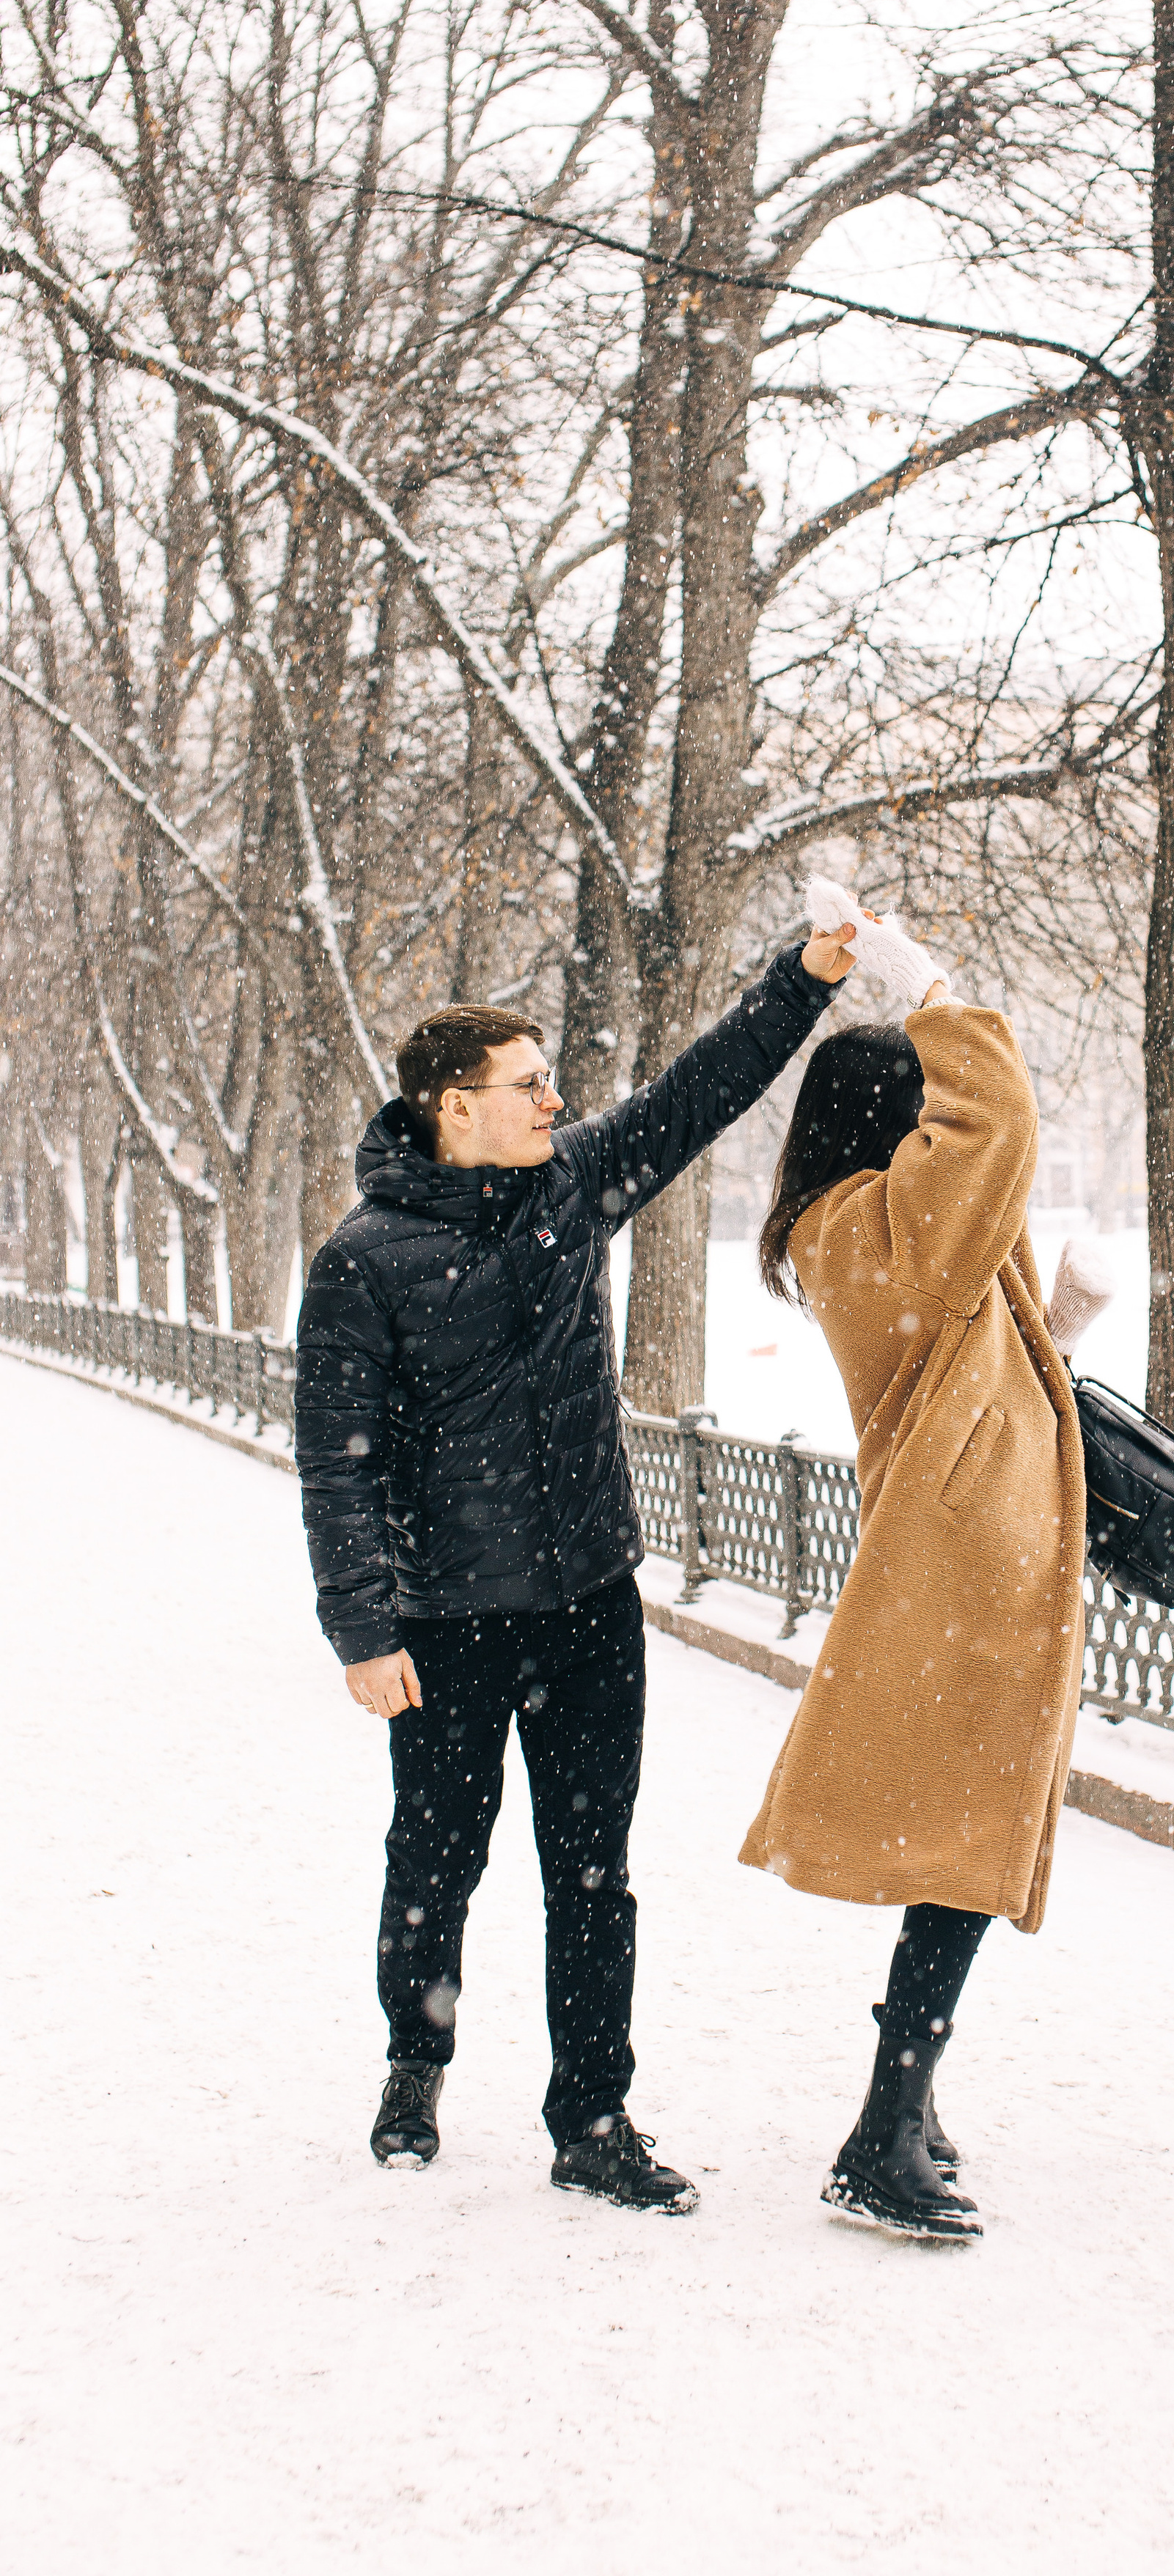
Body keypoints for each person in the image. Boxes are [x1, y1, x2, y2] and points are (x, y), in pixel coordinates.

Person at [295, 928, 855, 2207]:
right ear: (453, 1106)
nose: (555, 1099)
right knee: (438, 1858)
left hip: (592, 1606)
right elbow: (335, 1461)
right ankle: (413, 2058)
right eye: (527, 1082)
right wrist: (363, 1632)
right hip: (445, 1621)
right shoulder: (363, 1260)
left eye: (552, 1080)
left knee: (593, 1868)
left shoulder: (570, 1190)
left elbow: (699, 1092)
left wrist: (802, 981)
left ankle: (592, 2119)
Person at [739, 966, 1086, 2241]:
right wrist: (939, 991)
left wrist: (1068, 1322)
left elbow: (977, 1342)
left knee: (967, 1835)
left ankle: (906, 2104)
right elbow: (995, 1122)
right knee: (964, 1843)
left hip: (970, 1555)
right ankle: (885, 2126)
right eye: (921, 1109)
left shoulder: (877, 1232)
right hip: (962, 1569)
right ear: (894, 1127)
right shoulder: (871, 1228)